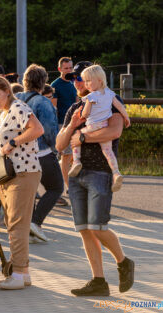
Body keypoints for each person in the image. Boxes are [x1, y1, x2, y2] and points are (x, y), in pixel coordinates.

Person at [56, 61, 134, 297]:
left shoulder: (109, 101)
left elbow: (114, 132)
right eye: (75, 80)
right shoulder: (76, 109)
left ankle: (123, 262)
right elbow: (60, 145)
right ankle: (98, 281)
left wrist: (81, 138)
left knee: (98, 227)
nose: (78, 83)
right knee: (85, 230)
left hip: (100, 172)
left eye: (81, 78)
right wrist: (72, 126)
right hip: (77, 175)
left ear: (95, 80)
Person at [0, 76, 44, 290]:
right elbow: (4, 140)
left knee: (17, 225)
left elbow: (37, 130)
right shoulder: (0, 112)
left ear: (7, 92)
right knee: (13, 223)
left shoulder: (18, 107)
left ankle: (18, 274)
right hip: (8, 172)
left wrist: (13, 142)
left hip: (24, 171)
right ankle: (24, 273)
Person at [15, 64, 63, 243]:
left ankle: (26, 226)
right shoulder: (43, 102)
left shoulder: (16, 99)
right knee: (55, 187)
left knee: (29, 191)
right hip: (40, 153)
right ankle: (35, 222)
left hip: (18, 154)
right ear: (43, 83)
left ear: (25, 81)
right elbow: (49, 131)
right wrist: (55, 149)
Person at [68, 65, 130, 192]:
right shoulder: (111, 94)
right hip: (104, 126)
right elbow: (120, 107)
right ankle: (116, 173)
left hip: (92, 126)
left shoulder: (91, 97)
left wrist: (80, 115)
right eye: (85, 81)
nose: (86, 84)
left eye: (88, 81)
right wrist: (126, 118)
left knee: (76, 136)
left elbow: (85, 114)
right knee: (108, 152)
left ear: (100, 81)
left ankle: (77, 161)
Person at [51, 57, 77, 205]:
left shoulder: (74, 83)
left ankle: (69, 184)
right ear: (60, 69)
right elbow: (53, 108)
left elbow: (76, 101)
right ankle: (68, 187)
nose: (69, 70)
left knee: (72, 156)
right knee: (66, 156)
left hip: (74, 123)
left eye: (70, 68)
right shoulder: (56, 85)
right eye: (66, 68)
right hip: (62, 123)